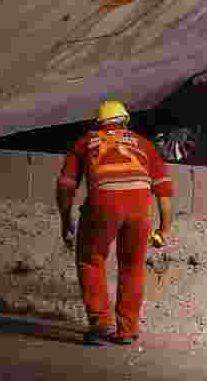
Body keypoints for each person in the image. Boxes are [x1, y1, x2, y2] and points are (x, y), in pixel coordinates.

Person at [56, 99, 175, 346]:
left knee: (91, 259)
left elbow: (66, 185)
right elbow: (163, 188)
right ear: (125, 122)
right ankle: (127, 329)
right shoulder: (143, 144)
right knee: (133, 265)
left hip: (103, 202)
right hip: (140, 205)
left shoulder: (85, 142)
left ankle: (101, 324)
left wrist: (66, 219)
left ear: (98, 124)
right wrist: (164, 228)